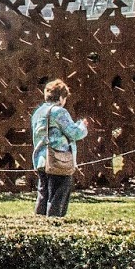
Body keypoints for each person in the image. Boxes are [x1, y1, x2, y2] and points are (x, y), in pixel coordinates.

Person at [31, 79, 87, 217]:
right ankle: (54, 227)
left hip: (41, 160)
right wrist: (83, 125)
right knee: (58, 197)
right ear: (61, 97)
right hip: (58, 160)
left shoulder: (38, 112)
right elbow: (74, 133)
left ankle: (38, 226)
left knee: (43, 196)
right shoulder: (59, 112)